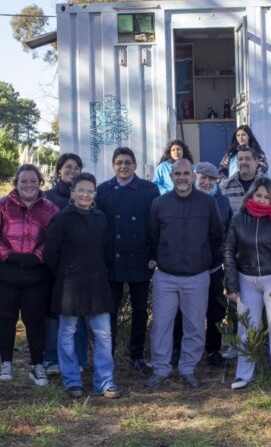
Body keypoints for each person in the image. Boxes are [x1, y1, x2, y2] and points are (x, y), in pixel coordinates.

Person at [145, 159, 223, 389]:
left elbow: (216, 235)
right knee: (161, 325)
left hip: (197, 276)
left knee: (195, 325)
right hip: (166, 276)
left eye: (185, 173)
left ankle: (188, 368)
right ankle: (161, 369)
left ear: (193, 175)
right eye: (177, 173)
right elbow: (152, 236)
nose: (181, 177)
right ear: (171, 177)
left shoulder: (207, 203)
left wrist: (206, 260)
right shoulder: (159, 204)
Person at [44, 173, 121, 399]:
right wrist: (66, 273)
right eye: (81, 190)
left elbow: (106, 250)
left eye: (90, 191)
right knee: (67, 333)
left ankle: (104, 381)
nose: (86, 194)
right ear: (72, 193)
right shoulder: (61, 219)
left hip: (97, 284)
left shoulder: (100, 218)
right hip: (70, 285)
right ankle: (72, 381)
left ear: (94, 194)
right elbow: (51, 254)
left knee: (104, 334)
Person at [0, 164, 58, 385]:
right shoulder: (0, 206)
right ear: (15, 183)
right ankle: (6, 362)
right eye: (23, 181)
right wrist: (9, 256)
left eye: (33, 181)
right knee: (6, 318)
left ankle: (37, 365)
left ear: (40, 183)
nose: (28, 185)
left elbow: (54, 237)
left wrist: (37, 256)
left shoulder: (51, 209)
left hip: (36, 274)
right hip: (5, 271)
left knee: (35, 320)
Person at [224, 177, 271, 393]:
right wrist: (232, 283)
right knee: (247, 329)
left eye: (267, 197)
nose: (263, 200)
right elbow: (229, 251)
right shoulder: (238, 219)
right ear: (251, 195)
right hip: (246, 280)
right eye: (259, 195)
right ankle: (243, 374)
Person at [96, 147, 160, 374]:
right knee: (109, 311)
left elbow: (155, 226)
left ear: (135, 165)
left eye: (128, 162)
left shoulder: (149, 190)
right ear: (113, 165)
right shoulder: (102, 190)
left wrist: (154, 256)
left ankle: (136, 355)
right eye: (119, 162)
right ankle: (108, 355)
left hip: (140, 259)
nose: (123, 166)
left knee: (140, 310)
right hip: (112, 260)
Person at [172, 162, 233, 368]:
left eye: (211, 179)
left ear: (216, 181)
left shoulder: (223, 203)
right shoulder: (185, 199)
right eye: (203, 178)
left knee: (215, 310)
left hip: (213, 267)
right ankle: (178, 350)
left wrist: (221, 256)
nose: (206, 182)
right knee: (182, 311)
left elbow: (227, 233)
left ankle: (213, 350)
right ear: (195, 177)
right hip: (188, 268)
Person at [43, 153, 88, 376]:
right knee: (53, 315)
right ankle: (51, 358)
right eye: (68, 167)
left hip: (80, 270)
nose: (73, 170)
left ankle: (79, 359)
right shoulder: (47, 198)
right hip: (54, 267)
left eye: (77, 167)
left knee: (79, 315)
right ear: (59, 170)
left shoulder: (85, 198)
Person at [222, 146, 271, 216]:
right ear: (237, 163)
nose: (243, 162)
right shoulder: (226, 187)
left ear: (256, 162)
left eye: (247, 159)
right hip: (234, 226)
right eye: (240, 159)